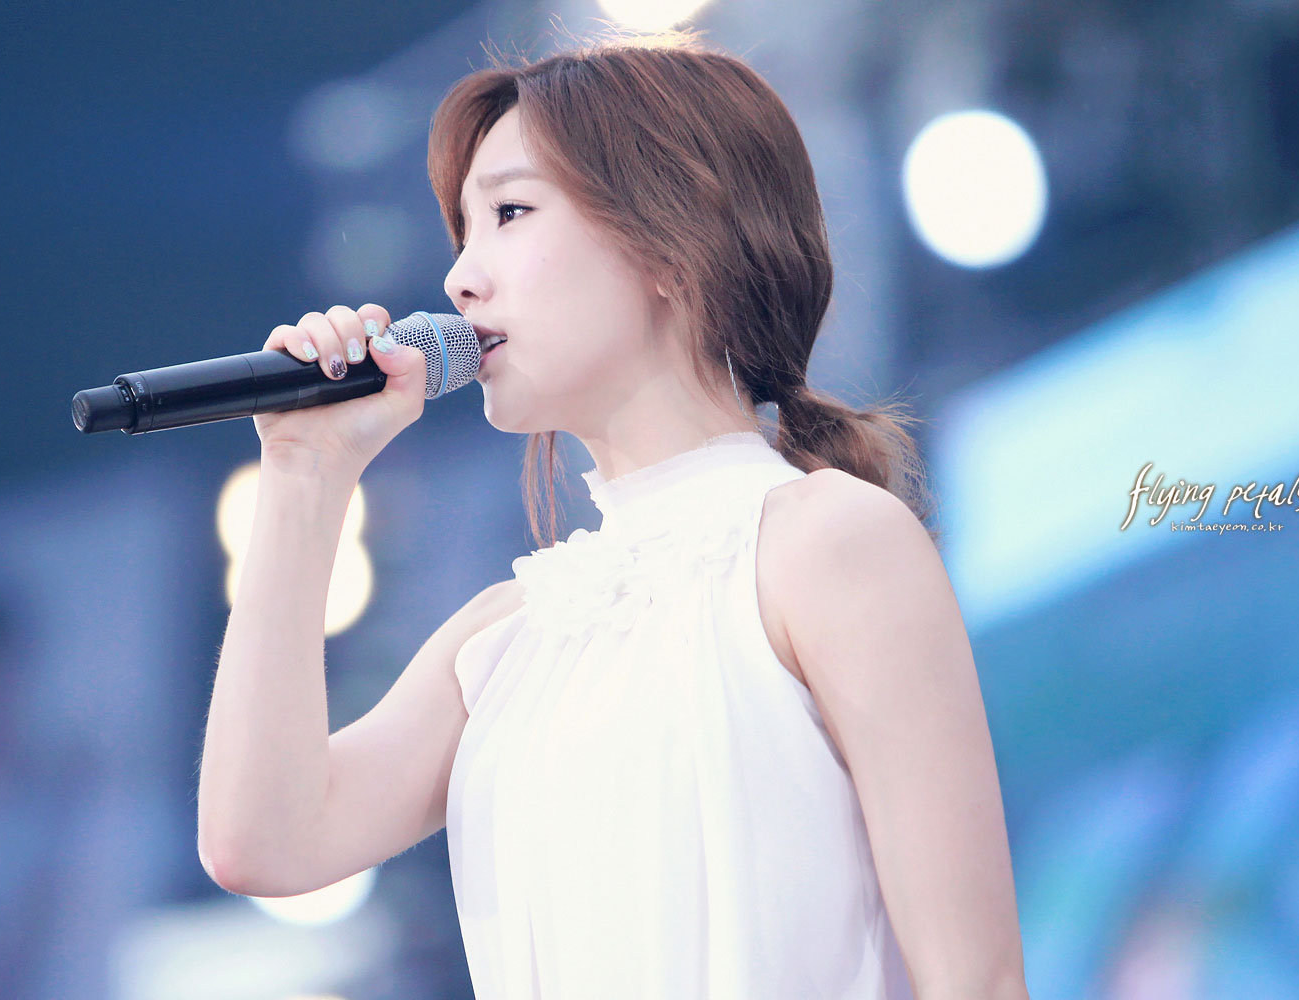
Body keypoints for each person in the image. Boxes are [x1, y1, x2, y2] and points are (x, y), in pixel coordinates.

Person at [197, 27, 1029, 1000]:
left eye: (510, 212)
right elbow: (263, 841)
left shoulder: (827, 541)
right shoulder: (501, 639)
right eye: (463, 232)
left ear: (669, 245)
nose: (460, 278)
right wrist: (304, 477)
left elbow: (976, 978)